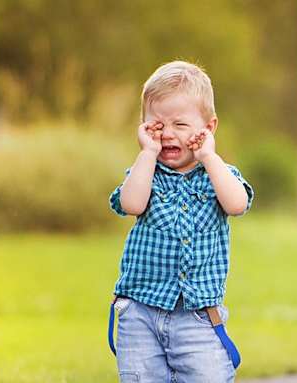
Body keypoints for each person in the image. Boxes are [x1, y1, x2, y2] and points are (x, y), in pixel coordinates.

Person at [108, 60, 254, 382]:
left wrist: (209, 158)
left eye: (180, 125)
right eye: (158, 126)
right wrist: (147, 153)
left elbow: (237, 204)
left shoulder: (217, 175)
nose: (169, 134)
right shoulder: (146, 173)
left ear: (209, 128)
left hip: (198, 317)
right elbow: (132, 204)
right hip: (141, 312)